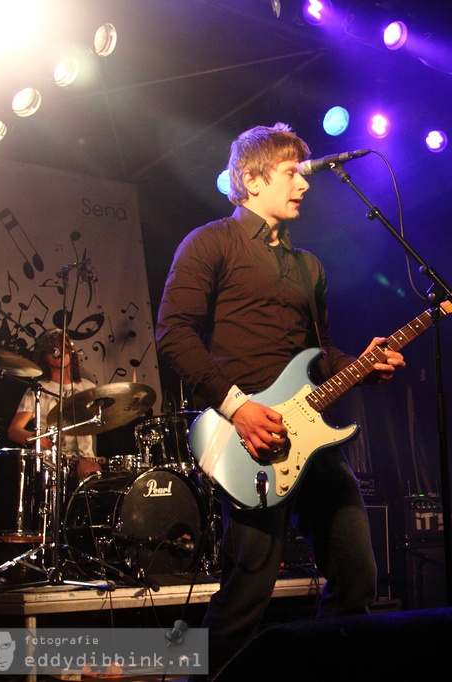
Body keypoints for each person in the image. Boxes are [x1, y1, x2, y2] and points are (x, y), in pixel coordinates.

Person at [155, 122, 405, 676]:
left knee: (357, 577)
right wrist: (238, 407)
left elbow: (318, 356)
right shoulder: (210, 242)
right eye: (291, 173)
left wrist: (362, 366)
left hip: (312, 439)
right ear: (250, 179)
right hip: (249, 437)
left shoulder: (308, 266)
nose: (305, 185)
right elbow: (173, 333)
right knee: (249, 590)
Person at [7, 328, 102, 482]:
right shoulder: (38, 389)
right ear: (45, 356)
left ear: (71, 350)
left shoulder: (88, 388)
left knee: (94, 471)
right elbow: (14, 430)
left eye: (63, 345)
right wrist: (34, 437)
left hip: (84, 461)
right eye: (53, 347)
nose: (59, 350)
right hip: (49, 462)